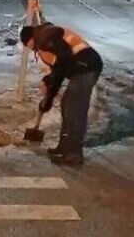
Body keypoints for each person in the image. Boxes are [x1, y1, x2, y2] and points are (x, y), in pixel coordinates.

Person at [20, 21, 103, 166]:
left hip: (87, 67)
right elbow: (59, 66)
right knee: (67, 106)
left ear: (30, 39)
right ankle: (64, 147)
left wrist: (51, 93)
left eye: (27, 45)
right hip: (81, 68)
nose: (29, 48)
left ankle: (74, 154)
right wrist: (49, 83)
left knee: (74, 110)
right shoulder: (45, 37)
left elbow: (62, 62)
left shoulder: (45, 37)